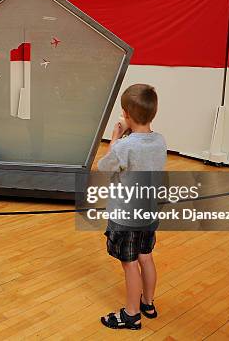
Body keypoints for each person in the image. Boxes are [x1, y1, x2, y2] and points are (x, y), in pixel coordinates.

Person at [97, 84, 167, 330]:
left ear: (125, 114)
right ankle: (148, 303)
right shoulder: (160, 141)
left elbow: (104, 168)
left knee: (129, 264)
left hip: (126, 217)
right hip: (148, 212)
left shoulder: (124, 146)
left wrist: (115, 139)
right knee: (145, 257)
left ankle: (131, 314)